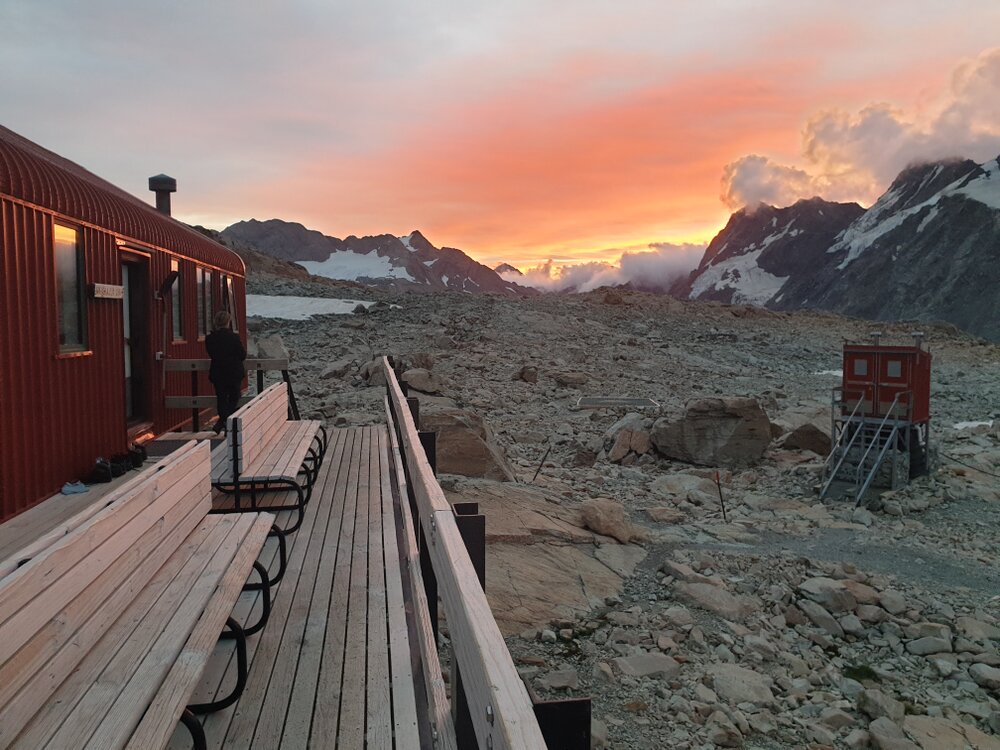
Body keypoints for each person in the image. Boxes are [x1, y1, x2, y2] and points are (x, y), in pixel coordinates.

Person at [205, 310, 246, 434]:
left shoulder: (210, 338)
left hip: (218, 373)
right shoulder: (234, 337)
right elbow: (242, 355)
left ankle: (222, 422)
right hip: (234, 373)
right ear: (228, 322)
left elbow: (211, 354)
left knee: (221, 398)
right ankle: (225, 423)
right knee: (235, 397)